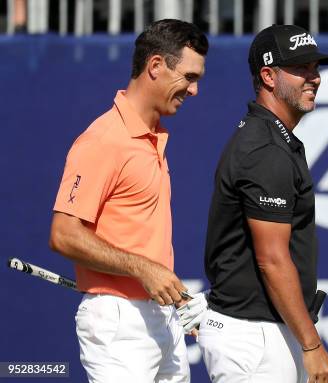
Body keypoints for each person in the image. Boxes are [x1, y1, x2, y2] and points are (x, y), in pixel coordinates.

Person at [49, 19, 208, 382]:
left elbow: (136, 239)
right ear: (155, 66)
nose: (195, 90)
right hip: (119, 323)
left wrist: (171, 293)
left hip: (162, 319)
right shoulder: (103, 139)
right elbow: (63, 234)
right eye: (189, 76)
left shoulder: (154, 136)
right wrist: (144, 269)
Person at [196, 24, 328, 383]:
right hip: (254, 338)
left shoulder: (272, 140)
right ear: (268, 76)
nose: (315, 78)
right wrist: (311, 345)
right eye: (301, 69)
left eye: (315, 68)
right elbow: (272, 259)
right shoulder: (266, 150)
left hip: (260, 332)